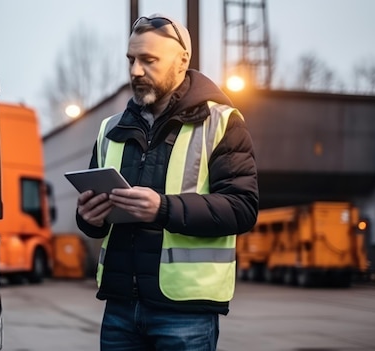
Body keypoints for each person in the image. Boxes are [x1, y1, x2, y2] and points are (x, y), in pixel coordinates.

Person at [75, 13, 259, 351]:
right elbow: (95, 224)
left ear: (182, 61)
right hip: (119, 308)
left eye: (148, 60)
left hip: (185, 312)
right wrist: (88, 216)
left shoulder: (222, 123)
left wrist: (163, 208)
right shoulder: (109, 130)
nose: (135, 71)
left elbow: (242, 208)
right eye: (131, 59)